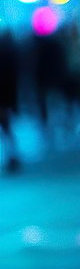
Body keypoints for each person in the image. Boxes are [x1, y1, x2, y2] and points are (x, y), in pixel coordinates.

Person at [0, 27, 22, 172]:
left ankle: (12, 154)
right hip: (5, 97)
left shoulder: (5, 53)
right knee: (6, 127)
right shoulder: (7, 52)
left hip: (3, 97)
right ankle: (12, 154)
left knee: (6, 127)